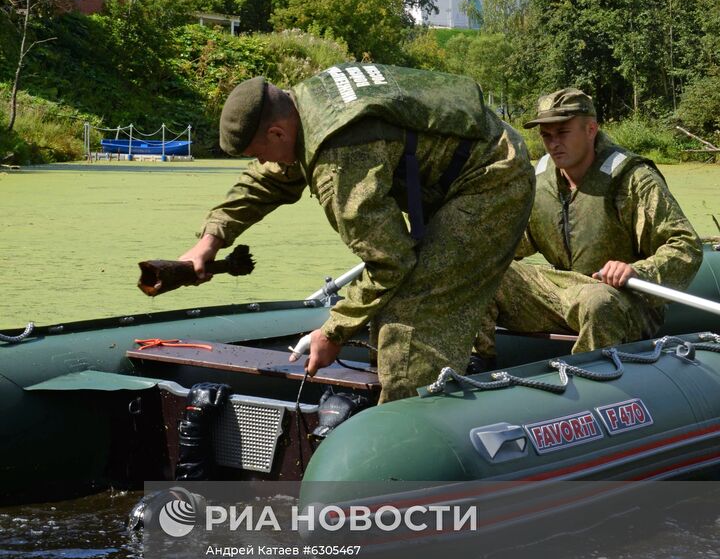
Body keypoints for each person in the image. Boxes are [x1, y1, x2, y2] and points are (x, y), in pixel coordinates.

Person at [180, 63, 535, 403]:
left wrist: (334, 330)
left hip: (493, 177)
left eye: (258, 154)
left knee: (414, 309)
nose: (261, 163)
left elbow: (390, 262)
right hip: (461, 165)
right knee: (394, 300)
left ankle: (406, 428)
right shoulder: (305, 101)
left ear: (276, 133)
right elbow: (270, 180)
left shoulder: (340, 159)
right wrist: (209, 241)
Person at [472, 87, 703, 360]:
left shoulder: (633, 180)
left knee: (597, 303)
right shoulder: (541, 178)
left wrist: (637, 271)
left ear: (591, 129)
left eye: (563, 133)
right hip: (562, 291)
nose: (553, 143)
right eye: (546, 135)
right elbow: (514, 241)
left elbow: (685, 246)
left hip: (622, 298)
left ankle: (590, 383)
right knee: (480, 270)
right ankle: (475, 366)